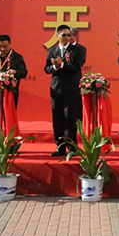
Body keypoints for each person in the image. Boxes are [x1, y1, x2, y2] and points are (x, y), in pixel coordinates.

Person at [44, 25, 85, 156]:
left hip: (71, 89)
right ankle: (60, 147)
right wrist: (54, 67)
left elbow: (76, 67)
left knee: (70, 118)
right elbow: (46, 69)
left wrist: (61, 65)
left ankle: (72, 147)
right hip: (56, 89)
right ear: (58, 36)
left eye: (69, 35)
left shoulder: (79, 50)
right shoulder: (52, 50)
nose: (67, 37)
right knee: (57, 118)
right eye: (64, 35)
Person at [0, 34, 27, 107]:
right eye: (0, 46)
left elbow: (24, 72)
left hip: (10, 92)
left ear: (10, 44)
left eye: (5, 46)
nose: (2, 49)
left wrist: (15, 72)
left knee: (8, 113)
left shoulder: (17, 57)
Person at [69, 26, 87, 124]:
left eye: (70, 35)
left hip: (75, 80)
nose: (67, 38)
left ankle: (78, 125)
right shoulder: (61, 48)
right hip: (62, 81)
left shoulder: (81, 49)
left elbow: (79, 63)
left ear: (75, 35)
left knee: (76, 103)